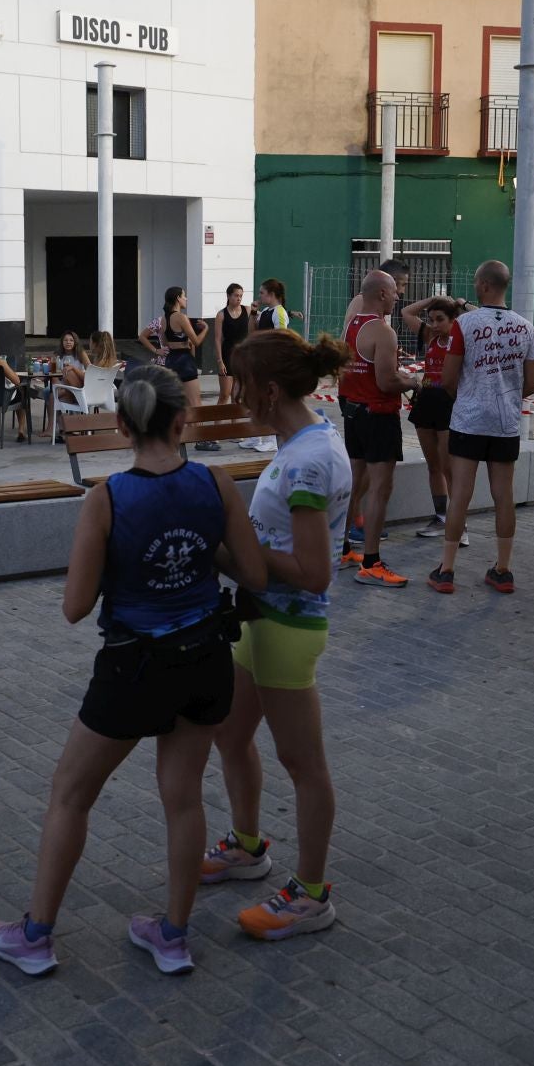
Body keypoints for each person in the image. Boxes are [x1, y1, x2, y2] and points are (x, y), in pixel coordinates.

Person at [0, 366, 263, 976]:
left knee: (70, 794)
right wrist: (194, 548)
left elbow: (75, 607)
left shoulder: (106, 499)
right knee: (183, 799)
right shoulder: (216, 484)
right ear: (182, 419)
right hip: (206, 656)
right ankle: (173, 935)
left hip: (134, 665)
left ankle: (35, 935)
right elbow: (256, 575)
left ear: (121, 426)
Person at [200, 328, 354, 940]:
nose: (234, 395)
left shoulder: (311, 459)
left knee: (303, 763)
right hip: (259, 619)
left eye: (239, 384)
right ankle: (246, 846)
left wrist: (229, 551)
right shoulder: (302, 444)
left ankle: (311, 895)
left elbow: (315, 570)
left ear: (267, 390)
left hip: (288, 627)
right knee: (230, 735)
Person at [432, 261, 534, 594]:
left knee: (461, 493)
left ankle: (447, 570)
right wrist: (505, 396)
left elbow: (448, 379)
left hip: (469, 420)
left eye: (477, 282)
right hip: (505, 423)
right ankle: (503, 569)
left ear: (484, 285)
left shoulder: (464, 323)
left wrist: (469, 394)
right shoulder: (526, 327)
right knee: (503, 495)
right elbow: (533, 383)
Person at [338, 270, 413, 587]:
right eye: (395, 291)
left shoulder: (352, 326)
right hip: (378, 416)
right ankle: (371, 562)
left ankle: (341, 548)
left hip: (353, 413)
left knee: (355, 483)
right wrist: (414, 383)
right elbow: (386, 381)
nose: (398, 297)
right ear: (382, 293)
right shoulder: (383, 332)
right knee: (380, 489)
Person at [402, 292, 467, 545]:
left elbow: (478, 318)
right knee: (434, 466)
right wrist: (431, 300)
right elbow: (406, 312)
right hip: (426, 401)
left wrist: (461, 305)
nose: (435, 324)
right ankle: (441, 517)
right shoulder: (430, 337)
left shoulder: (462, 338)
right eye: (432, 319)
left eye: (440, 319)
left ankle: (459, 524)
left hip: (449, 403)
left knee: (450, 467)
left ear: (454, 320)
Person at [239, 281, 290, 451]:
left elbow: (282, 339)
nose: (259, 296)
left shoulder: (279, 313)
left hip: (271, 364)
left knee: (270, 401)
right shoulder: (266, 312)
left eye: (262, 293)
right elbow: (252, 333)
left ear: (272, 294)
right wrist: (253, 313)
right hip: (260, 362)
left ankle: (271, 439)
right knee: (257, 399)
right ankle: (257, 437)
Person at [158, 287, 210, 425]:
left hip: (171, 361)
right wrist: (206, 329)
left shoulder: (163, 318)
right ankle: (201, 438)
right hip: (184, 361)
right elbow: (196, 341)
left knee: (181, 403)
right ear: (177, 298)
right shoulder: (181, 317)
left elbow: (164, 342)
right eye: (184, 296)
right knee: (195, 402)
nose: (186, 299)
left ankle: (187, 435)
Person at [213, 283, 250, 406]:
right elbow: (217, 339)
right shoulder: (221, 315)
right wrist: (220, 361)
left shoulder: (247, 310)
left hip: (242, 357)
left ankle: (234, 425)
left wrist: (290, 313)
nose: (239, 298)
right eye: (236, 295)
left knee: (237, 396)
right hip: (227, 354)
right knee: (225, 395)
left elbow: (267, 313)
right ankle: (217, 424)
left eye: (241, 296)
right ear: (228, 296)